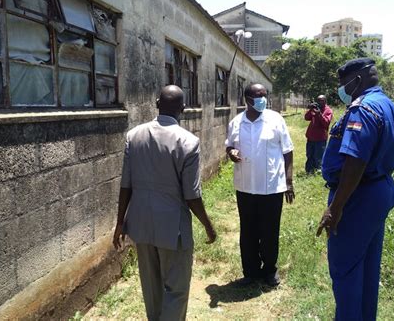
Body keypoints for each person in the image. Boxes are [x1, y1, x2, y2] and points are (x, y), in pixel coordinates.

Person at [112, 85, 216, 321]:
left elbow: (125, 185)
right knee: (176, 290)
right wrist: (208, 226)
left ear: (156, 103)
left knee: (151, 287)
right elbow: (192, 195)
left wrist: (120, 223)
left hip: (141, 224)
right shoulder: (188, 142)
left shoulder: (134, 135)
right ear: (183, 108)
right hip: (173, 228)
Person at [317, 58, 394, 320]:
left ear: (357, 80)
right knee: (366, 266)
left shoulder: (362, 109)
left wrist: (336, 207)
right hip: (379, 189)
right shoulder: (388, 105)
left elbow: (356, 160)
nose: (342, 90)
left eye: (343, 84)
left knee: (345, 268)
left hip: (358, 195)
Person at [225, 83, 295, 287]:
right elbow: (230, 145)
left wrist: (289, 182)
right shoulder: (236, 123)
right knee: (248, 231)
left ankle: (270, 270)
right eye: (258, 96)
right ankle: (250, 271)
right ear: (247, 99)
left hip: (272, 187)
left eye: (265, 95)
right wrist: (231, 153)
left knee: (270, 231)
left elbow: (288, 151)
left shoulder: (275, 120)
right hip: (245, 187)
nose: (263, 99)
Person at [304, 95, 333, 173]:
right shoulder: (315, 109)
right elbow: (306, 117)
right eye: (318, 100)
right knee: (309, 155)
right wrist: (311, 109)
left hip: (320, 138)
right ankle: (309, 171)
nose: (320, 102)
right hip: (311, 137)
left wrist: (319, 114)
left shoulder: (328, 110)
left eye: (322, 100)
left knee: (318, 157)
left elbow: (326, 123)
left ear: (325, 101)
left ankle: (318, 172)